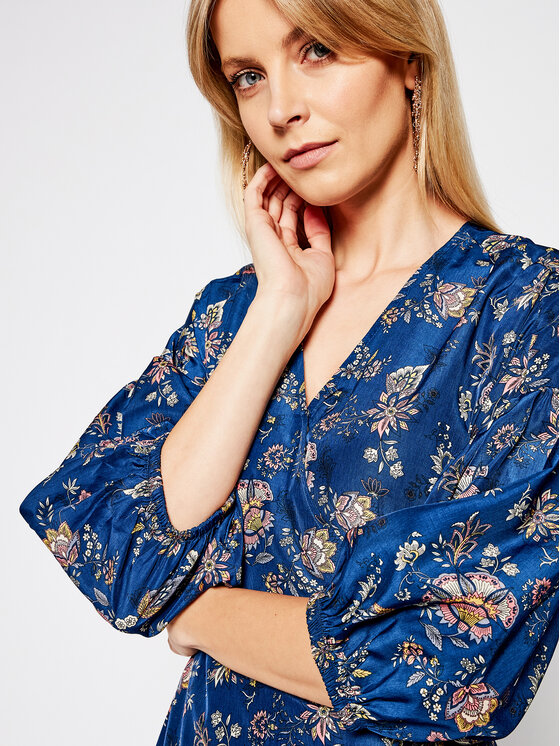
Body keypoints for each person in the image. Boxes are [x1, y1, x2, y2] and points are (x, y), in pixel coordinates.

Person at [19, 0, 558, 744]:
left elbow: (452, 665)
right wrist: (278, 311)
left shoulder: (526, 309)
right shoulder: (236, 313)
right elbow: (115, 546)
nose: (279, 110)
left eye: (316, 51)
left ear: (406, 59)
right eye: (248, 76)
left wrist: (197, 613)